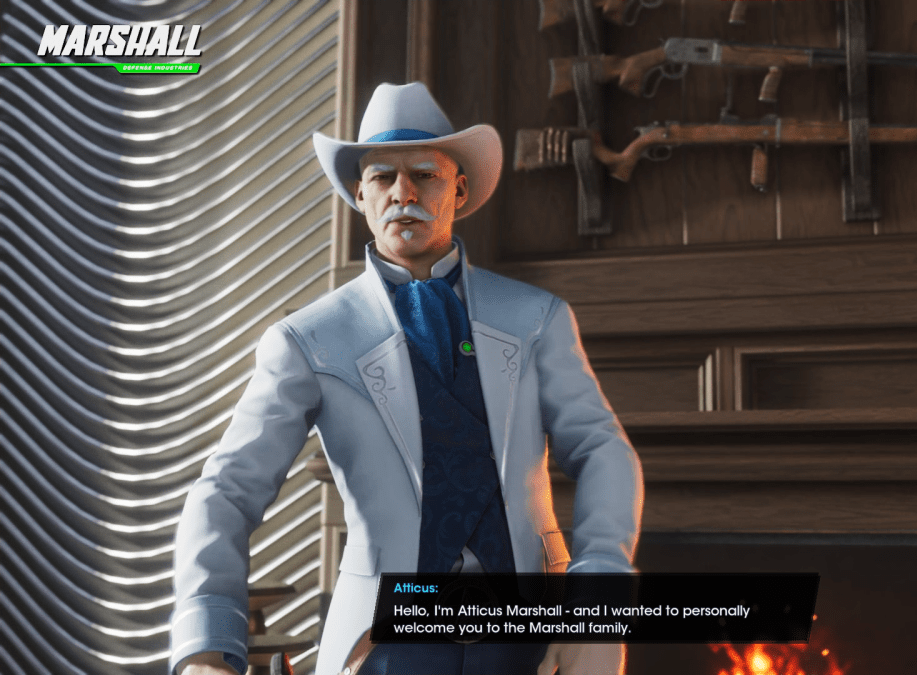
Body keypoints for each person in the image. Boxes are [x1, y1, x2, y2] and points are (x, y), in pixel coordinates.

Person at [170, 82, 644, 675]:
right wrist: (206, 648)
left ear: (459, 189)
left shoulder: (538, 319)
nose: (404, 194)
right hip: (382, 648)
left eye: (425, 174)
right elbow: (226, 490)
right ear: (358, 194)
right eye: (383, 179)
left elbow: (604, 451)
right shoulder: (305, 340)